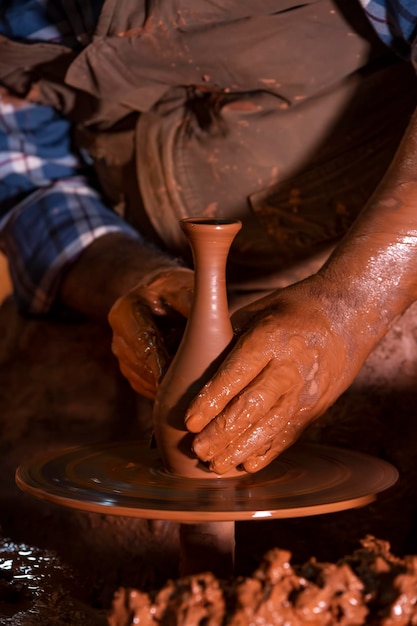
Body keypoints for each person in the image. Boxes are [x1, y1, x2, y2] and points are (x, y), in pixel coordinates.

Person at [0, 0, 417, 476]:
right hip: (134, 284)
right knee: (32, 506)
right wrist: (134, 277)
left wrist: (355, 303)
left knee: (366, 492)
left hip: (366, 271)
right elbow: (28, 183)